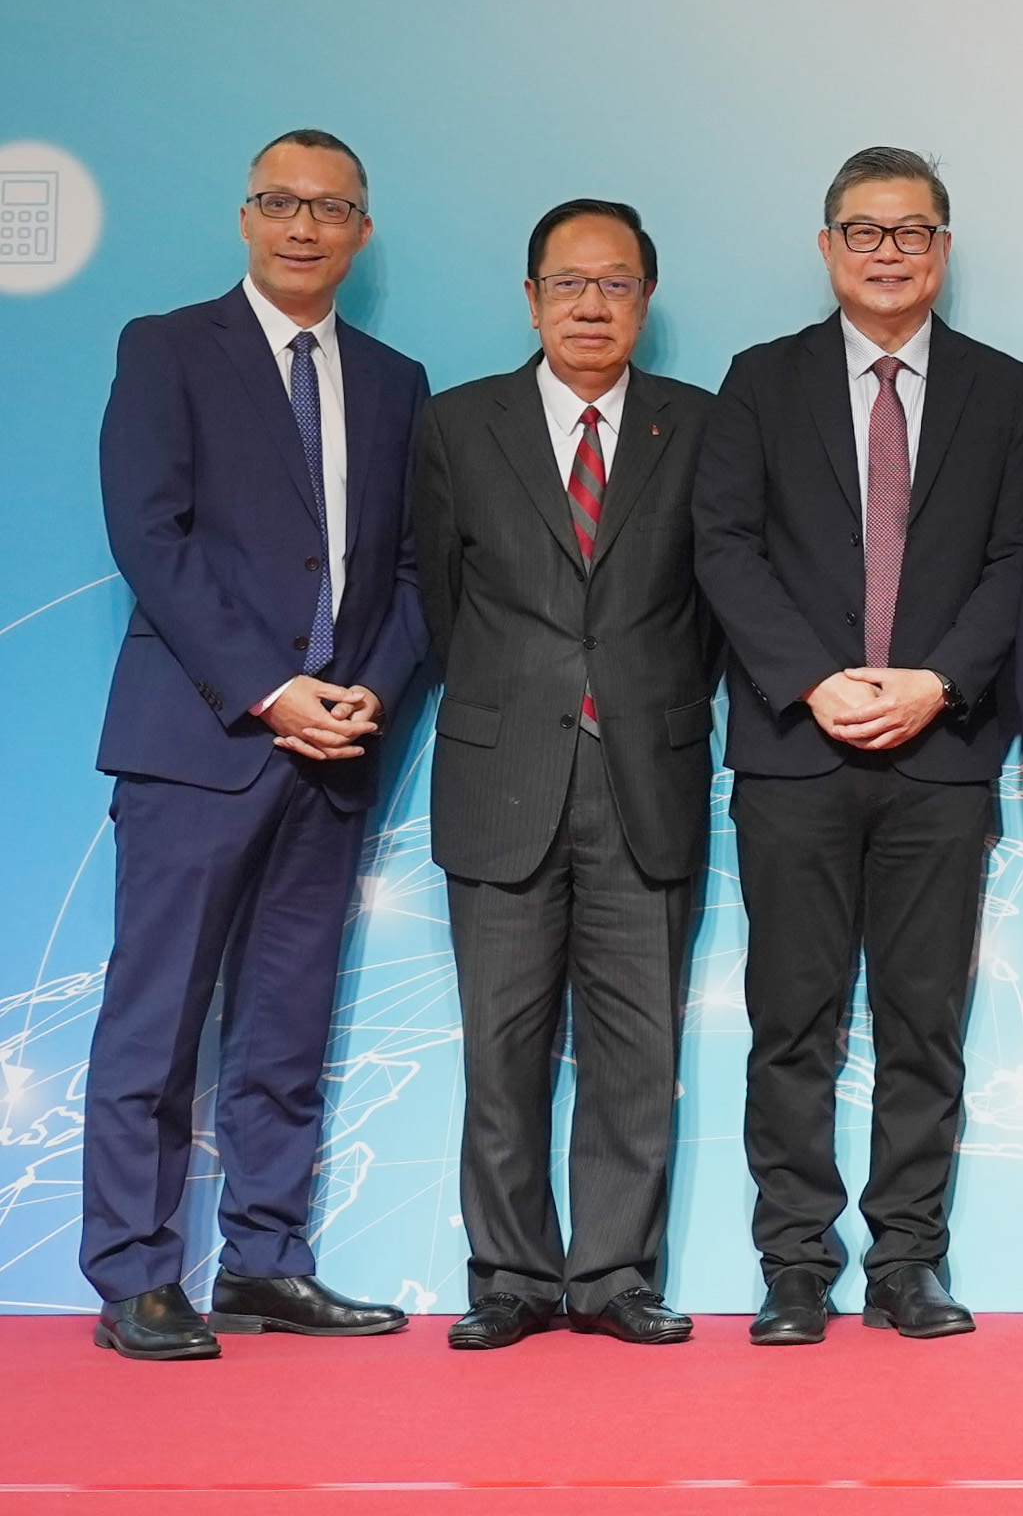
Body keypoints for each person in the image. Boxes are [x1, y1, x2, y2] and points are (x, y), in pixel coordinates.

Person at [83, 130, 427, 1360]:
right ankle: (134, 1271)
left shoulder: (395, 381)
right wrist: (271, 686)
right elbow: (150, 534)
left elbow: (409, 570)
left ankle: (268, 1260)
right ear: (245, 215)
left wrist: (365, 693)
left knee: (287, 1026)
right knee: (157, 1021)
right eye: (280, 201)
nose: (303, 225)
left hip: (335, 753)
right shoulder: (168, 347)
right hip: (201, 739)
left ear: (362, 233)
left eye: (330, 207)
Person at [695, 146, 1023, 1346]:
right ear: (826, 245)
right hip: (798, 751)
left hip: (940, 758)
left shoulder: (1004, 391)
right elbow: (725, 546)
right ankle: (794, 1261)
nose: (887, 251)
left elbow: (1020, 562)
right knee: (791, 1019)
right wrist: (816, 679)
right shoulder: (759, 380)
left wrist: (937, 680)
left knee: (921, 1021)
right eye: (863, 230)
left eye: (911, 231)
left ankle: (909, 1259)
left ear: (943, 248)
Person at [412, 198, 721, 1350]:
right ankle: (508, 1272)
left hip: (649, 768)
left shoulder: (695, 424)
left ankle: (614, 1273)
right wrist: (525, 702)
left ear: (646, 298)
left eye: (618, 283)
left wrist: (636, 702)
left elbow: (711, 606)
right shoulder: (457, 423)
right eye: (569, 282)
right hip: (504, 773)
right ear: (531, 295)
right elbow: (440, 596)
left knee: (639, 1046)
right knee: (502, 1044)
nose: (592, 304)